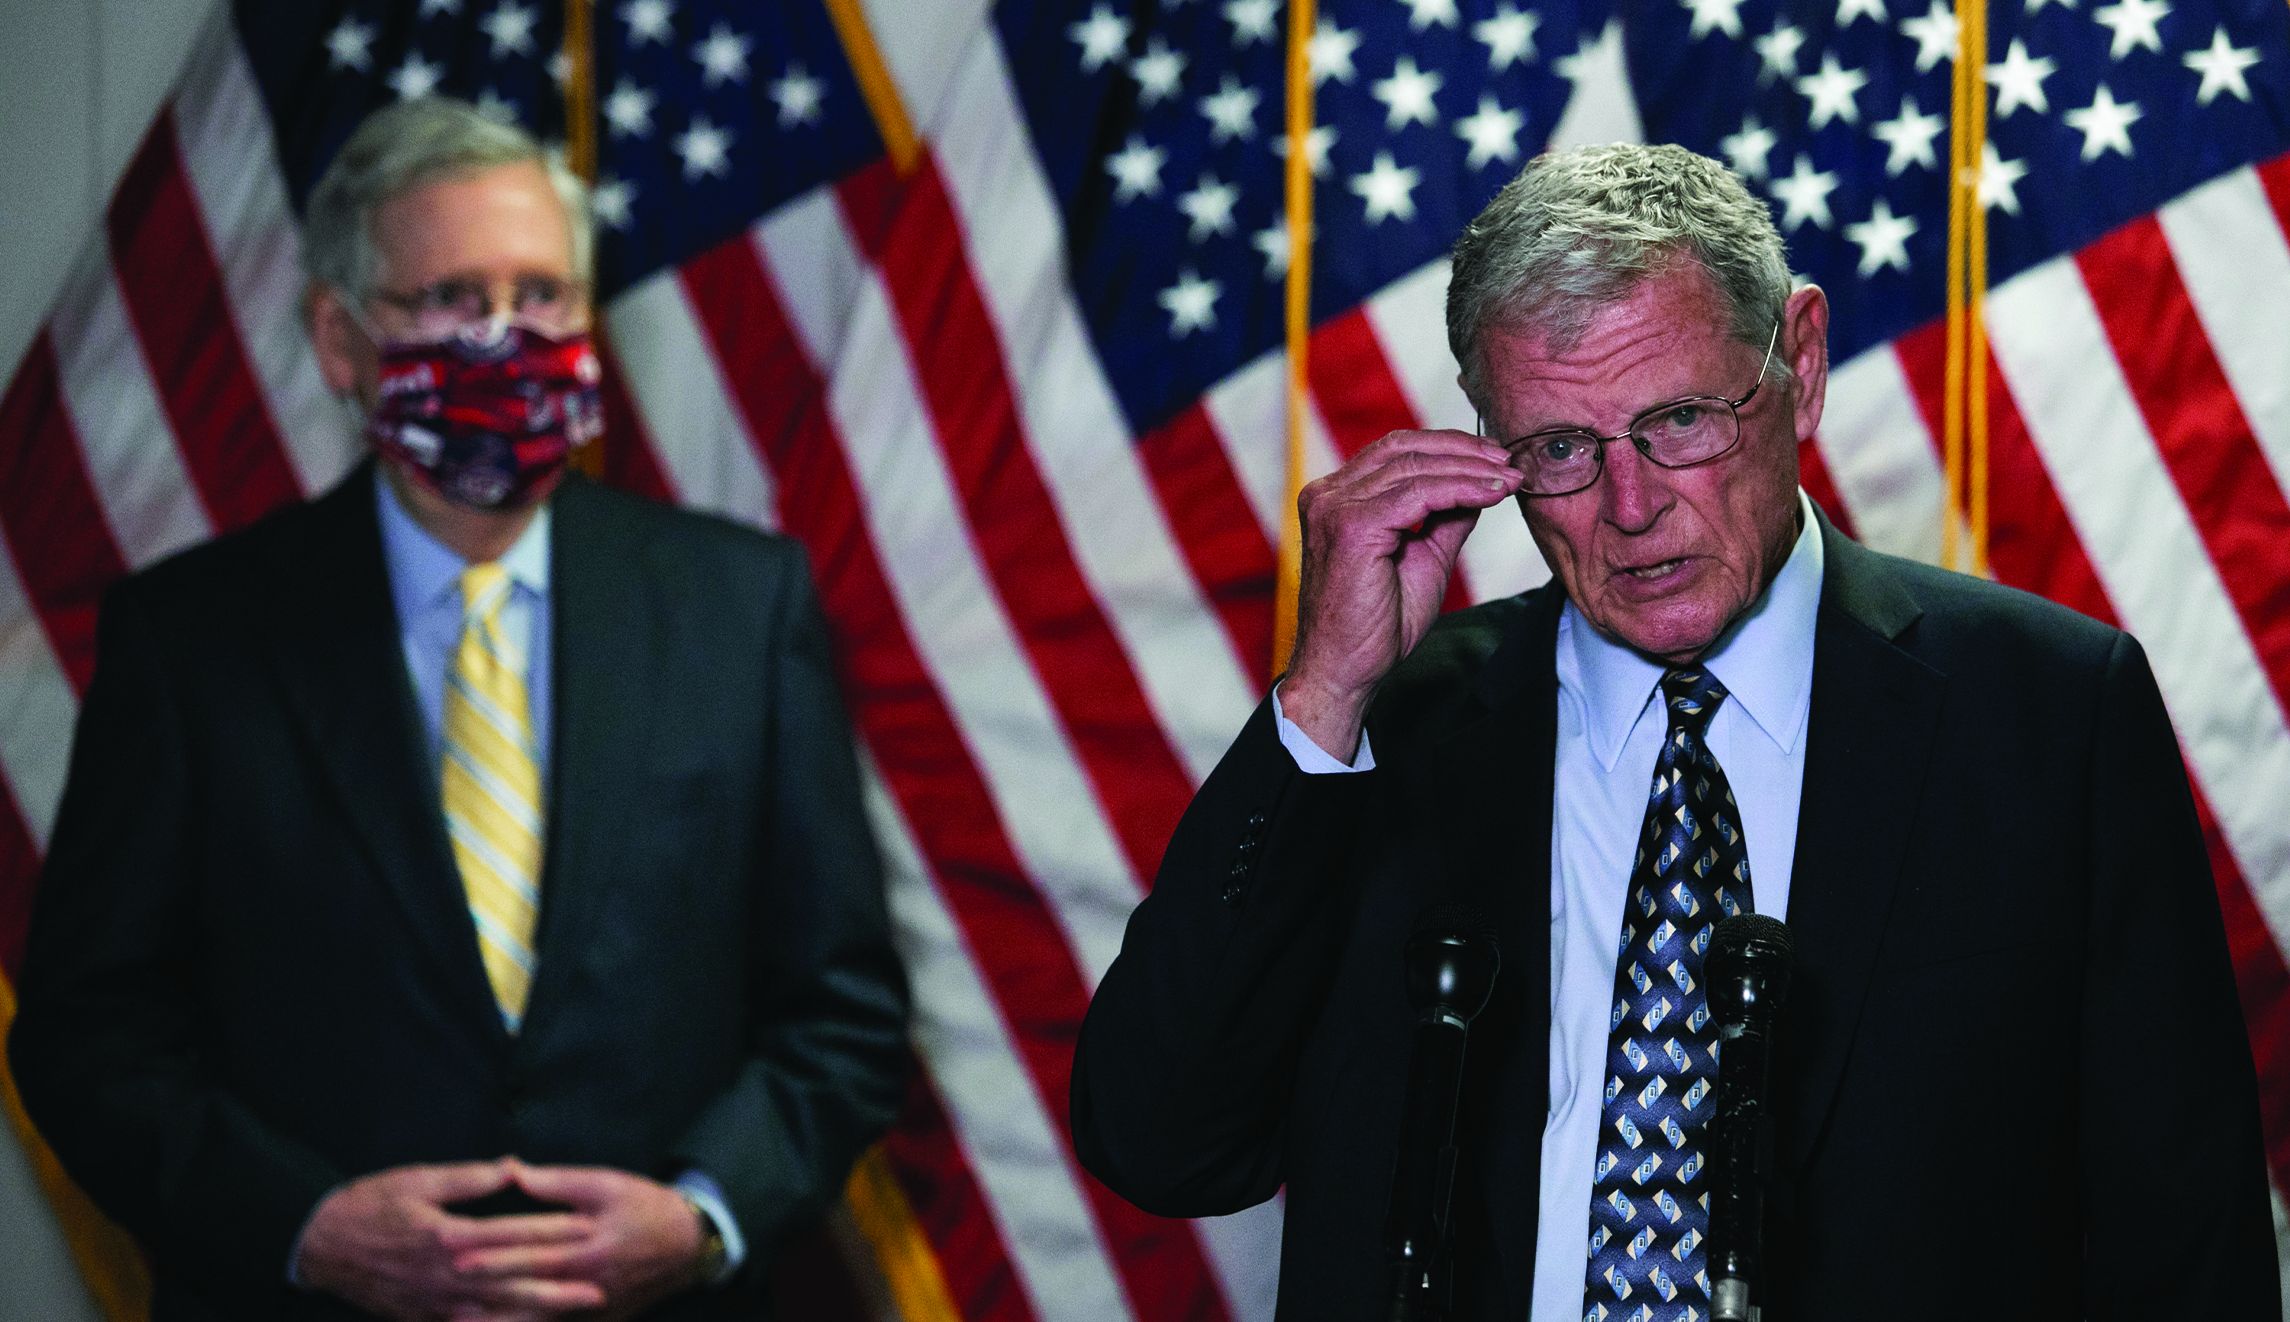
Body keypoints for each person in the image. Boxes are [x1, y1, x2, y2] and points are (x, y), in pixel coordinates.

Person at [1071, 143, 2279, 1319]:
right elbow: (1164, 1141)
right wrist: (1322, 698)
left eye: (1681, 420)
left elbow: (2183, 1245)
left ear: (1799, 363)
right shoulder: (1396, 733)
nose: (1632, 506)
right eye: (1558, 449)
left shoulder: (2046, 715)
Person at [10, 97, 908, 1321]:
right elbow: (89, 1033)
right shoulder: (191, 640)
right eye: (449, 300)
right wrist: (304, 1226)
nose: (503, 339)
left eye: (540, 296)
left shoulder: (742, 609)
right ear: (338, 339)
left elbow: (842, 1015)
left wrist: (702, 1214)